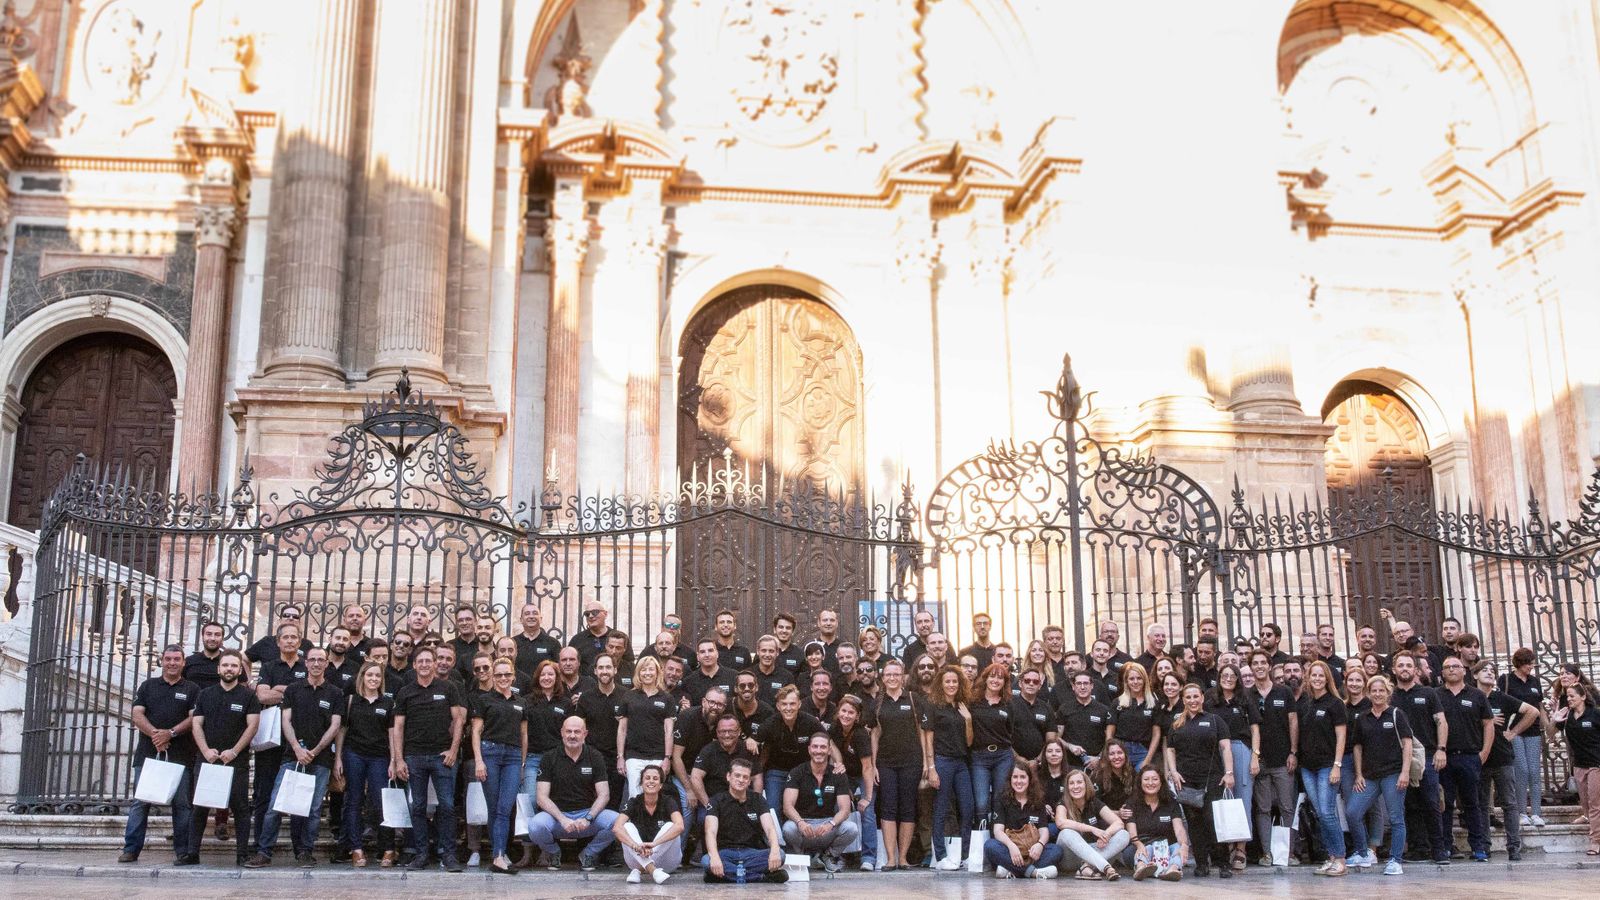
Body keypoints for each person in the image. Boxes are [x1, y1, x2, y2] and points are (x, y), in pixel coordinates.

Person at [248, 646, 343, 868]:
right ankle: (264, 851)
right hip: (292, 755)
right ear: (306, 663)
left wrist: (316, 750)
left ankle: (305, 852)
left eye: (321, 660)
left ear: (326, 664)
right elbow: (285, 720)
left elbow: (335, 725)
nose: (317, 664)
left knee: (313, 809)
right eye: (313, 660)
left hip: (320, 760)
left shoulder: (335, 693)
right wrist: (297, 749)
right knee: (275, 806)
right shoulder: (293, 689)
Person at [119, 644, 200, 865]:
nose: (172, 663)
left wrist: (170, 733)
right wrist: (157, 735)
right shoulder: (148, 686)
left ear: (183, 662)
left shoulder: (192, 689)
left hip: (181, 755)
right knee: (140, 803)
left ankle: (183, 851)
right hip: (148, 753)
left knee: (182, 805)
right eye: (168, 659)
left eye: (177, 659)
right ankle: (131, 849)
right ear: (161, 661)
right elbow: (136, 715)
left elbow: (194, 718)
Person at [391, 646, 468, 872]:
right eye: (420, 661)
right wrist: (399, 760)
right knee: (418, 806)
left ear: (435, 664)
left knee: (446, 806)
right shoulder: (405, 692)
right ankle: (421, 854)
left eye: (428, 661)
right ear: (414, 665)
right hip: (414, 757)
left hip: (441, 757)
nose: (424, 665)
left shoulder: (448, 687)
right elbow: (398, 727)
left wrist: (454, 750)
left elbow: (458, 721)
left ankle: (449, 855)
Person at [191, 649, 260, 865]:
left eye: (233, 666)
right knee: (200, 808)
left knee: (240, 808)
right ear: (218, 668)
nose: (229, 669)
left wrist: (235, 751)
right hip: (208, 760)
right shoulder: (205, 694)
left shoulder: (248, 696)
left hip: (236, 761)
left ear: (240, 670)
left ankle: (242, 855)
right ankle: (191, 853)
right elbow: (196, 724)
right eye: (225, 665)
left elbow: (253, 726)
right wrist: (205, 751)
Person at [529, 716, 620, 870]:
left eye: (577, 732)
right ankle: (553, 852)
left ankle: (589, 854)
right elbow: (541, 797)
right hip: (557, 819)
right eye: (569, 731)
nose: (572, 735)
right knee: (535, 826)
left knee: (618, 821)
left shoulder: (595, 756)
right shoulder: (549, 757)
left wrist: (588, 818)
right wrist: (562, 819)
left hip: (586, 818)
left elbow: (604, 794)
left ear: (585, 734)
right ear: (562, 733)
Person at [1163, 682, 1235, 879]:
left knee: (1213, 821)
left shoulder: (1215, 720)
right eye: (1188, 697)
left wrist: (1229, 773)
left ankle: (1223, 863)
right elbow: (1170, 749)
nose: (1192, 700)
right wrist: (1173, 772)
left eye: (1196, 696)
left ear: (1202, 698)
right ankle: (1202, 864)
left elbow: (1226, 748)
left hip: (1212, 779)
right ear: (1183, 699)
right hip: (1186, 781)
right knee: (1195, 823)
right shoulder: (1177, 722)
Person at [1346, 674, 1411, 875]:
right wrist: (1358, 774)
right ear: (1369, 693)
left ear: (1388, 692)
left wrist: (1405, 772)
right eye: (1373, 690)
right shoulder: (1363, 718)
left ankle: (1395, 860)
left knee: (1395, 818)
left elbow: (1407, 743)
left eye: (1381, 690)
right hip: (1370, 776)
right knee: (1353, 812)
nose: (1377, 694)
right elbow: (1357, 747)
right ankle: (1364, 853)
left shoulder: (1396, 714)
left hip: (1393, 774)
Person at [872, 658, 931, 870]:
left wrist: (926, 761)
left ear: (903, 676)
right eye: (888, 674)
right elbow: (875, 734)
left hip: (912, 762)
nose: (892, 678)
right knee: (888, 808)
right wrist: (873, 764)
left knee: (907, 808)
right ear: (882, 677)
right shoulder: (878, 702)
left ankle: (903, 858)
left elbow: (923, 732)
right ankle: (890, 858)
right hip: (886, 762)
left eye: (896, 674)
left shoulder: (914, 699)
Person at [1474, 659, 1536, 861]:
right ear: (1475, 675)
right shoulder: (1471, 697)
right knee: (1482, 804)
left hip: (1502, 756)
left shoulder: (1502, 698)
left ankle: (1514, 846)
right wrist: (1487, 720)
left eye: (1493, 670)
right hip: (1479, 757)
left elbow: (1532, 711)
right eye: (1485, 670)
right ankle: (1484, 846)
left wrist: (1514, 731)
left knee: (1509, 803)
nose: (1490, 673)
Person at [471, 657, 528, 874]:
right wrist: (479, 761)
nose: (503, 678)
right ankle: (498, 855)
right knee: (494, 808)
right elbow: (476, 732)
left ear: (513, 676)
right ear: (493, 677)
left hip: (513, 757)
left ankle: (499, 855)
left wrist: (522, 764)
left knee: (505, 807)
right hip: (490, 754)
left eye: (507, 674)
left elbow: (524, 735)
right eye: (499, 675)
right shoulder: (484, 700)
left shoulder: (521, 702)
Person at [335, 660, 395, 867]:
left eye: (377, 676)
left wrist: (394, 760)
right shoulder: (351, 700)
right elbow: (342, 730)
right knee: (354, 801)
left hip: (380, 756)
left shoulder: (387, 703)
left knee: (381, 803)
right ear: (362, 677)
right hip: (354, 755)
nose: (373, 679)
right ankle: (356, 849)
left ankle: (387, 848)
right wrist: (338, 758)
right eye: (370, 675)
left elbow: (392, 734)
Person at [1391, 651, 1448, 863]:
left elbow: (1441, 721)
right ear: (1394, 670)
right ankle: (1417, 848)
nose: (1404, 669)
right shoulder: (1390, 696)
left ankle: (1438, 849)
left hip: (1428, 756)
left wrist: (1441, 749)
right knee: (1409, 804)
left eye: (1408, 665)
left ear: (1415, 670)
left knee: (1431, 803)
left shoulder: (1429, 693)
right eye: (1401, 665)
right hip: (1397, 759)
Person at [1436, 654, 1493, 862]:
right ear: (1442, 673)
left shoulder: (1477, 695)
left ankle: (1478, 846)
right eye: (1447, 667)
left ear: (1463, 670)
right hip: (1444, 758)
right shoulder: (1436, 695)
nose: (1451, 669)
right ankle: (1445, 846)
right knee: (1445, 805)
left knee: (1473, 804)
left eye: (1455, 666)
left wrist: (1484, 753)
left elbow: (1488, 724)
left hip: (1470, 757)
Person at [252, 623, 306, 841]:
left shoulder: (307, 666)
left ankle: (299, 847)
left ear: (300, 641)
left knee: (297, 792)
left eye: (294, 637)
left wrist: (280, 689)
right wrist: (293, 692)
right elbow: (263, 697)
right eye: (286, 637)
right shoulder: (269, 667)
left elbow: (307, 699)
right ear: (278, 641)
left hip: (296, 736)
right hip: (271, 738)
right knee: (264, 792)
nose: (290, 641)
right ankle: (261, 843)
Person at [1247, 649, 1299, 867]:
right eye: (1255, 663)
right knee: (1263, 808)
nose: (1259, 666)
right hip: (1260, 761)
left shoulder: (1283, 692)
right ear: (1250, 668)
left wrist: (1293, 752)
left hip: (1282, 758)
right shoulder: (1247, 694)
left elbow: (1293, 722)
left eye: (1263, 662)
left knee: (1287, 807)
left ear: (1269, 666)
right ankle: (1267, 853)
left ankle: (1288, 853)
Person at [781, 732, 860, 872]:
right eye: (815, 747)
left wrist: (831, 824)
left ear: (829, 750)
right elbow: (787, 807)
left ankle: (829, 856)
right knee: (788, 828)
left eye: (823, 747)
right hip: (804, 826)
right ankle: (802, 857)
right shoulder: (797, 772)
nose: (818, 751)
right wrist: (800, 822)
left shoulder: (838, 774)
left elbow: (845, 809)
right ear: (809, 749)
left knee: (851, 828)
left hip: (827, 825)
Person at [1206, 663, 1258, 872]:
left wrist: (1255, 756)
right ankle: (1226, 845)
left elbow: (1255, 729)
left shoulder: (1245, 699)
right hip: (1217, 752)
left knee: (1243, 800)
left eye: (1232, 675)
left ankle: (1241, 849)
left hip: (1240, 748)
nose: (1228, 678)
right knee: (1222, 799)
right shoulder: (1211, 700)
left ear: (1237, 679)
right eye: (1224, 675)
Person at [1298, 659, 1348, 875]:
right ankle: (1330, 857)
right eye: (1313, 675)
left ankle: (1340, 859)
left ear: (1327, 679)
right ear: (1308, 678)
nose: (1317, 679)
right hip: (1308, 767)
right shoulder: (1307, 704)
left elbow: (1341, 736)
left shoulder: (1335, 704)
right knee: (1319, 812)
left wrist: (1337, 765)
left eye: (1321, 675)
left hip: (1328, 765)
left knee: (1327, 812)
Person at [704, 758, 788, 883]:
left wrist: (775, 849)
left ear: (749, 781)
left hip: (752, 853)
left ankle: (726, 876)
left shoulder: (758, 799)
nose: (741, 780)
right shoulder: (716, 801)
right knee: (706, 861)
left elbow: (770, 829)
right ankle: (760, 878)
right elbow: (710, 832)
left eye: (745, 777)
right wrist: (715, 858)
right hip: (725, 854)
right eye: (737, 776)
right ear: (728, 776)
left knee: (780, 855)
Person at [928, 665, 974, 871]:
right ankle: (940, 856)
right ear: (941, 683)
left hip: (961, 762)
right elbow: (927, 739)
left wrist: (968, 719)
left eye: (955, 681)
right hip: (942, 761)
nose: (951, 684)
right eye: (947, 681)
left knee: (968, 808)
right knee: (941, 809)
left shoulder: (962, 706)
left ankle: (965, 855)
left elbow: (970, 742)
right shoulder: (934, 706)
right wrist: (931, 767)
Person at [984, 763, 1061, 879]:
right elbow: (998, 831)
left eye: (1023, 777)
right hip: (1010, 850)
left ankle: (1011, 870)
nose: (1018, 781)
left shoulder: (1038, 800)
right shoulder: (1002, 799)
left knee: (1056, 850)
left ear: (1029, 780)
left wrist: (1040, 845)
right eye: (1015, 777)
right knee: (990, 846)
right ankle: (1033, 872)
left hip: (1032, 850)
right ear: (1010, 779)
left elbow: (1044, 830)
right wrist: (1011, 846)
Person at [1498, 647, 1548, 828]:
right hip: (1514, 730)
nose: (1531, 666)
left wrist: (1547, 726)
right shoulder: (1506, 680)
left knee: (1534, 772)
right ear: (1519, 663)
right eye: (1528, 663)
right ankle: (1521, 811)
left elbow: (1540, 706)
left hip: (1534, 731)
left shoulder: (1534, 681)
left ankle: (1536, 812)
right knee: (1522, 770)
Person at [1339, 666, 1383, 865]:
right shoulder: (1343, 707)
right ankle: (1361, 848)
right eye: (1351, 680)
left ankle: (1373, 847)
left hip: (1371, 760)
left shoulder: (1371, 705)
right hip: (1348, 760)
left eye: (1358, 680)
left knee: (1373, 806)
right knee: (1352, 806)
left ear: (1364, 683)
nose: (1354, 684)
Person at [618, 655, 677, 801]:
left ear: (657, 672)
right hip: (634, 757)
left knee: (655, 797)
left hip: (658, 756)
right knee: (635, 796)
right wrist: (620, 757)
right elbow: (622, 730)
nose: (647, 673)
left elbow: (669, 731)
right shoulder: (628, 696)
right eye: (643, 670)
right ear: (638, 673)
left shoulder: (667, 698)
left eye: (651, 669)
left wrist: (667, 758)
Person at [831, 694, 878, 870]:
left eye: (851, 712)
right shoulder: (834, 729)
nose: (846, 715)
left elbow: (867, 767)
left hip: (862, 775)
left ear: (857, 716)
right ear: (838, 712)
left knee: (867, 812)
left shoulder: (860, 734)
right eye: (843, 711)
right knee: (839, 809)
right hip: (844, 776)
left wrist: (867, 796)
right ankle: (838, 855)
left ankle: (869, 858)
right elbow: (831, 749)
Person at [614, 763, 683, 884]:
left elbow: (680, 826)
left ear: (661, 785)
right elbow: (616, 828)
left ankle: (638, 871)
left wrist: (653, 845)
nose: (651, 781)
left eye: (655, 779)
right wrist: (635, 845)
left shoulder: (668, 801)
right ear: (641, 783)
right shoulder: (634, 802)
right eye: (647, 778)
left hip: (667, 861)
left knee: (670, 826)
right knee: (626, 826)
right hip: (637, 856)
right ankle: (653, 870)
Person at [1053, 767, 1126, 880]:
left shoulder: (1094, 802)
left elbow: (1119, 822)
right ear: (1067, 788)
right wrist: (1092, 829)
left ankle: (1087, 867)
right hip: (1070, 858)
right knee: (1066, 832)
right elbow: (1060, 822)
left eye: (1079, 782)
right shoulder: (1063, 803)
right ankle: (1104, 867)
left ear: (1086, 784)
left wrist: (1106, 834)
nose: (1076, 786)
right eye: (1071, 783)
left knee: (1124, 834)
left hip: (1094, 851)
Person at [1553, 682, 1600, 855]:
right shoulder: (1567, 717)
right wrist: (1553, 717)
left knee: (1595, 804)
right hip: (1579, 765)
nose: (1569, 699)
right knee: (1586, 804)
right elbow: (1550, 733)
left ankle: (1595, 841)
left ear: (1583, 697)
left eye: (1572, 695)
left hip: (1597, 763)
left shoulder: (1595, 714)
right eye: (1568, 696)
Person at [969, 662, 1017, 822]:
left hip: (1002, 756)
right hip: (979, 757)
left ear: (1005, 682)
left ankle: (996, 837)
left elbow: (1011, 730)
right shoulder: (973, 701)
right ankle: (981, 839)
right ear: (985, 678)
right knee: (981, 802)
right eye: (992, 676)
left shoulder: (1008, 703)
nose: (995, 680)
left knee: (999, 800)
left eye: (1000, 678)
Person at [1127, 767, 1186, 881]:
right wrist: (1139, 845)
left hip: (1165, 848)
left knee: (1178, 847)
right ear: (1140, 782)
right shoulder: (1132, 802)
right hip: (1141, 846)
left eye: (1154, 779)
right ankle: (1141, 868)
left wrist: (1184, 844)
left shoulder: (1170, 802)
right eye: (1146, 779)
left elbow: (1179, 829)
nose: (1150, 783)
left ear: (1161, 782)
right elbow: (1131, 832)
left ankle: (1173, 870)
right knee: (1145, 849)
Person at [1058, 670, 1114, 769]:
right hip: (1070, 765)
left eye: (1086, 683)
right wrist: (1070, 746)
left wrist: (1099, 758)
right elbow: (1056, 737)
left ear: (1092, 685)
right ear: (1073, 686)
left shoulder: (1104, 710)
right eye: (1079, 683)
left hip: (1096, 765)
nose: (1082, 687)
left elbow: (1109, 740)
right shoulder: (1064, 709)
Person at [1113, 662, 1162, 771]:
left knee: (1141, 782)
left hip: (1143, 751)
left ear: (1145, 679)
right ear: (1126, 681)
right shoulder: (1118, 703)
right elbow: (1109, 733)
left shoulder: (1153, 703)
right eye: (1132, 679)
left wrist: (1148, 760)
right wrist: (1111, 754)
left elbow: (1156, 734)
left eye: (1139, 678)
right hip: (1121, 751)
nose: (1135, 682)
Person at [683, 638, 735, 704]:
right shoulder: (689, 682)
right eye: (702, 652)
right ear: (698, 657)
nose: (707, 655)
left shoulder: (733, 676)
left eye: (710, 651)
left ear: (717, 654)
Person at [570, 600, 615, 674]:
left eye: (595, 612)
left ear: (605, 614)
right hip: (585, 684)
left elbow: (628, 663)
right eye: (587, 614)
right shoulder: (577, 640)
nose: (590, 616)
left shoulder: (617, 638)